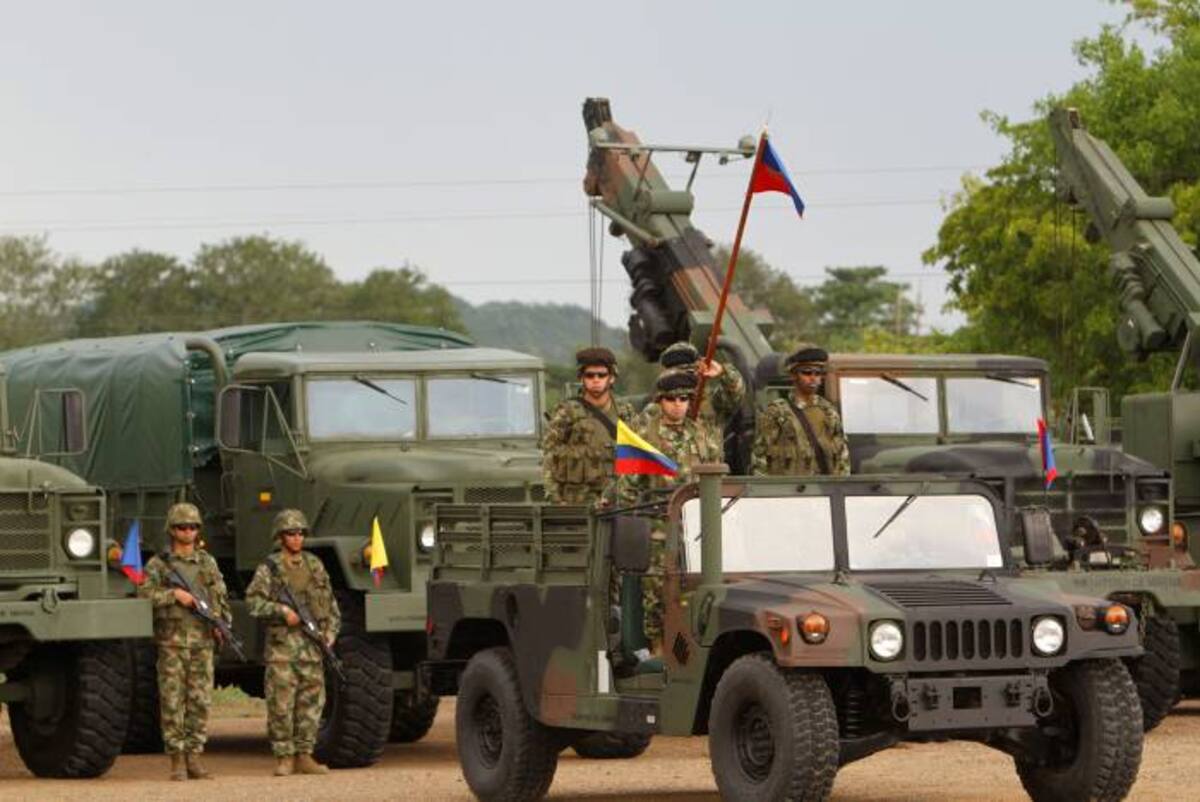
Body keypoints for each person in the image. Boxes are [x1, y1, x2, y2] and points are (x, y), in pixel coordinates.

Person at [618, 369, 723, 650]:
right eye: (671, 399)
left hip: (696, 531)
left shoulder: (702, 435)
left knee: (696, 594)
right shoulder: (644, 435)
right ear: (660, 401)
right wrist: (633, 529)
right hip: (658, 531)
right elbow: (627, 488)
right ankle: (658, 653)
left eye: (684, 398)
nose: (678, 404)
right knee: (656, 597)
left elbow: (718, 479)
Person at [138, 502, 231, 781]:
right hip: (172, 642)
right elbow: (143, 595)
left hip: (202, 642)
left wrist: (221, 624)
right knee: (172, 702)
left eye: (192, 527)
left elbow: (220, 596)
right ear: (172, 530)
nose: (188, 532)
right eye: (182, 527)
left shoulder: (207, 563)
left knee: (200, 701)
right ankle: (176, 761)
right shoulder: (159, 564)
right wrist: (174, 596)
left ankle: (195, 757)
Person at [246, 509, 341, 776]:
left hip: (312, 647)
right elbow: (253, 602)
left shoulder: (315, 565)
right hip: (283, 649)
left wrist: (331, 633)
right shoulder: (270, 568)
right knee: (281, 703)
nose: (297, 538)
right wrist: (281, 612)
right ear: (280, 536)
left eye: (300, 533)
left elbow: (330, 604)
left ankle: (304, 754)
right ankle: (284, 756)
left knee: (311, 703)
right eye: (291, 533)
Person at [541, 346, 635, 505]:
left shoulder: (625, 412)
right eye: (590, 375)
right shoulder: (567, 413)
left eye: (602, 375)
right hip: (577, 505)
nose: (596, 380)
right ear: (581, 378)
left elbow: (638, 455)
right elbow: (549, 458)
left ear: (611, 378)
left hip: (618, 503)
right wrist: (556, 500)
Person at [752, 343, 850, 476]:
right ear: (793, 375)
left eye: (818, 373)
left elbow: (842, 459)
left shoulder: (829, 412)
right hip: (788, 491)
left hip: (824, 491)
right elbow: (760, 458)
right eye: (807, 372)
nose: (813, 377)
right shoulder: (777, 412)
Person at [641, 341, 745, 430]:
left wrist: (723, 371)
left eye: (691, 372)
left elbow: (735, 393)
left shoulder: (711, 402)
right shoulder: (654, 409)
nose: (684, 379)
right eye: (679, 374)